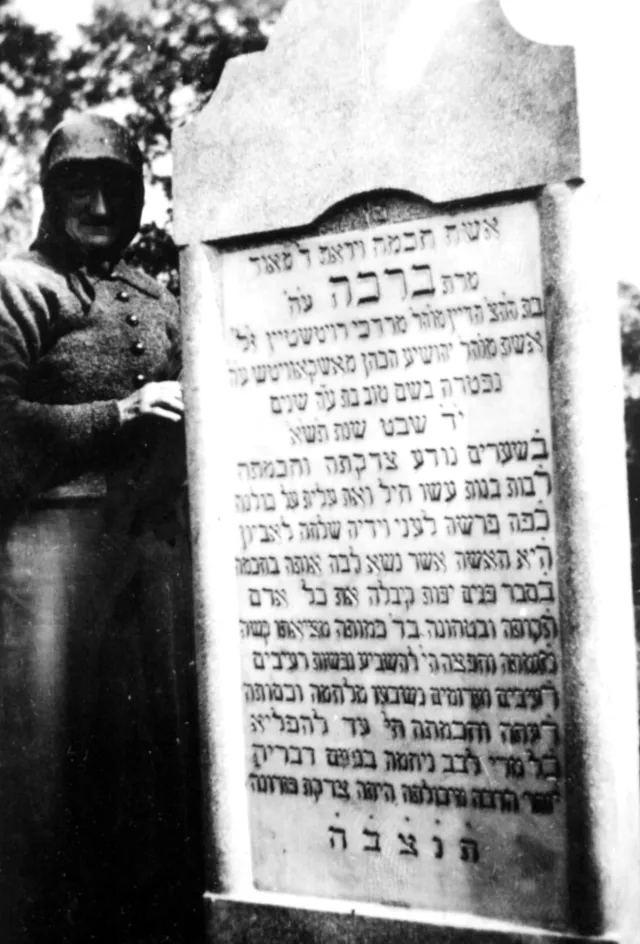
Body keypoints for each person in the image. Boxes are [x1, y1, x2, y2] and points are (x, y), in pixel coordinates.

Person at [0, 115, 203, 943]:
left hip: (155, 549)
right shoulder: (21, 285)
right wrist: (117, 412)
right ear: (51, 196)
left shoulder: (159, 297)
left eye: (116, 187)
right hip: (55, 546)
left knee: (155, 752)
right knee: (43, 762)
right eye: (78, 186)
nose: (98, 203)